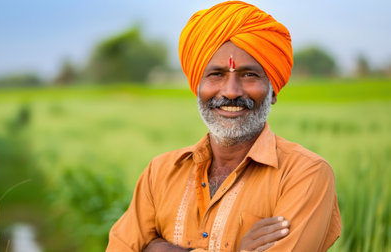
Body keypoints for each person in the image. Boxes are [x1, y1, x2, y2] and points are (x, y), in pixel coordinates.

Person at [106, 1, 341, 251]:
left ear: (273, 91)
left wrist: (158, 248)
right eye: (216, 74)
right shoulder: (160, 173)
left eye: (249, 75)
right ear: (198, 87)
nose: (230, 92)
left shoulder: (305, 174)